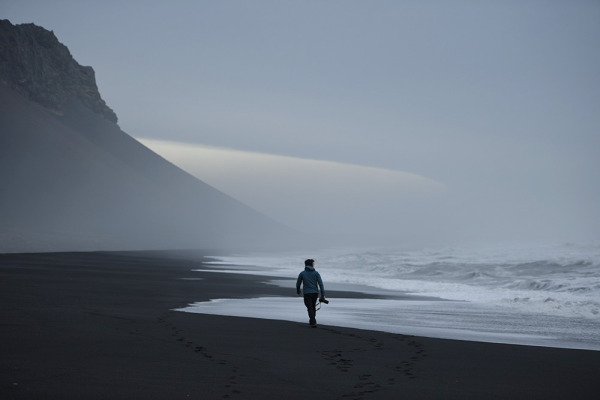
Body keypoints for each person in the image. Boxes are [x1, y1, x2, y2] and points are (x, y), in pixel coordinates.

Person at [296, 258, 326, 328]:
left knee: (309, 307)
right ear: (311, 265)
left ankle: (313, 321)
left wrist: (298, 291)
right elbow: (321, 284)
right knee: (312, 307)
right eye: (313, 264)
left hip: (307, 293)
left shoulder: (302, 273)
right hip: (315, 293)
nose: (314, 265)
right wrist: (323, 294)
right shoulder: (316, 273)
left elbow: (298, 284)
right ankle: (312, 320)